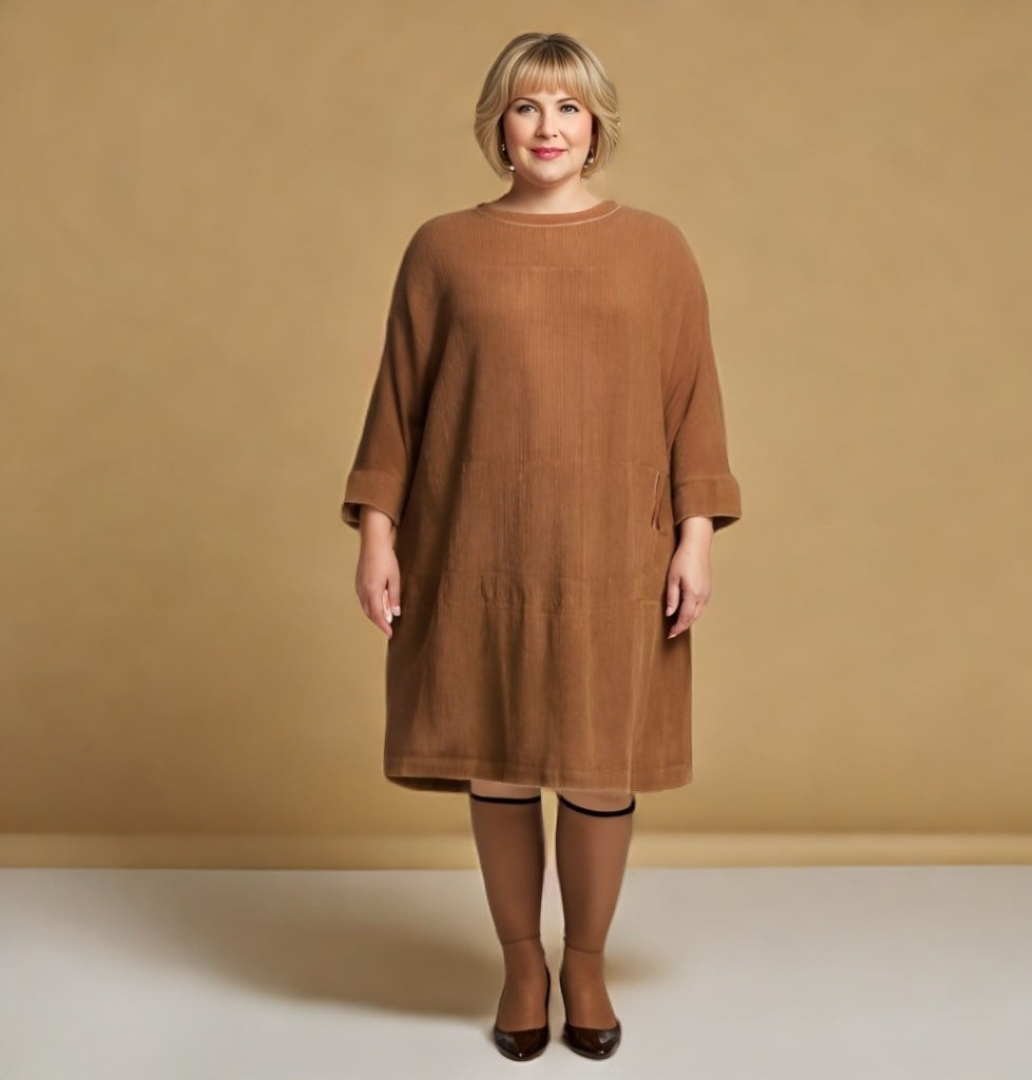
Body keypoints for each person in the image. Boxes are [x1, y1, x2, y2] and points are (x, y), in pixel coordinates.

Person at [340, 31, 742, 1061]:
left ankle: (586, 963)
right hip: (478, 548)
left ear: (596, 126)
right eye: (526, 107)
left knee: (602, 768)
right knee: (502, 762)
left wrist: (696, 535)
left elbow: (692, 403)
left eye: (567, 107)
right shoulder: (442, 249)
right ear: (498, 126)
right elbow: (400, 402)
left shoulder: (657, 248)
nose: (548, 127)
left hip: (615, 550)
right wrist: (378, 532)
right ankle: (523, 962)